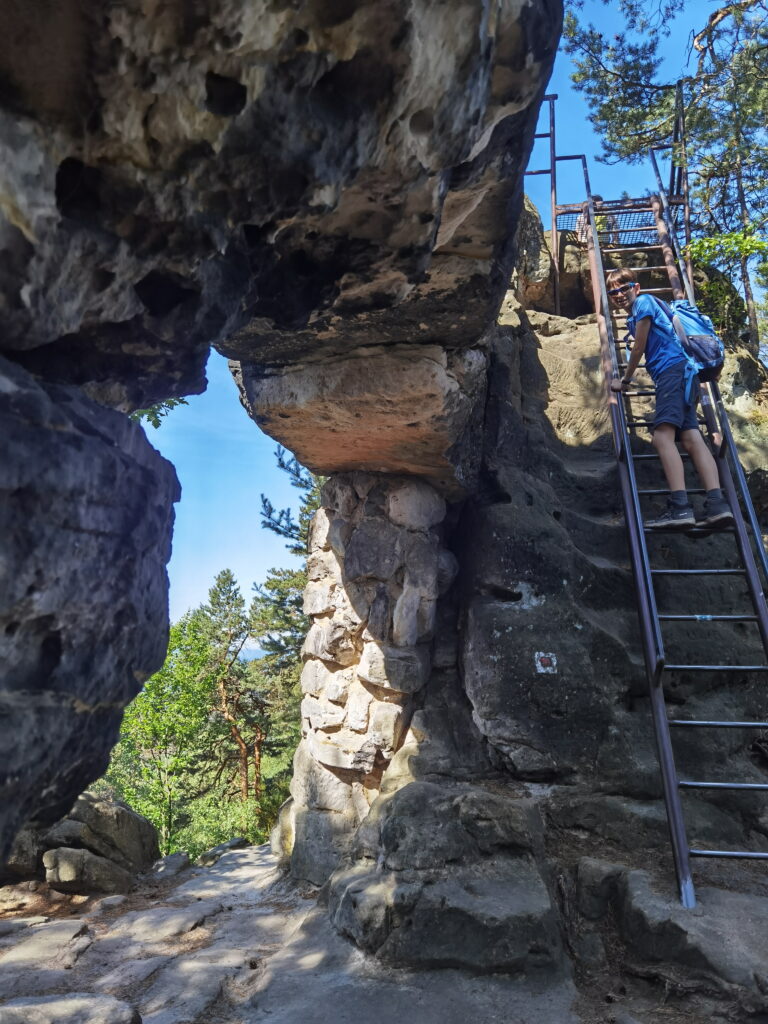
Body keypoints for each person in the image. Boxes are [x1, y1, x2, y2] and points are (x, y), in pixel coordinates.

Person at [606, 268, 733, 529]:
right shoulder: (643, 308)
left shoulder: (643, 302)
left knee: (662, 437)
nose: (619, 294)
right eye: (613, 291)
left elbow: (639, 346)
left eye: (623, 287)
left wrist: (626, 380)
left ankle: (680, 508)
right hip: (687, 374)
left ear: (636, 287)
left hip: (672, 373)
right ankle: (717, 504)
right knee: (690, 437)